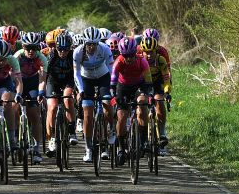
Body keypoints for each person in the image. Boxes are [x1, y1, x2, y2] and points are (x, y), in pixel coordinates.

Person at [73, 26, 115, 162]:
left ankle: (111, 130)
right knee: (87, 113)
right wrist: (81, 91)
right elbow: (77, 73)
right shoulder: (78, 52)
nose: (92, 47)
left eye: (94, 44)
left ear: (98, 43)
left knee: (107, 103)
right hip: (87, 79)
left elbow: (111, 68)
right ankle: (89, 148)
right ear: (85, 43)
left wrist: (112, 87)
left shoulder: (105, 49)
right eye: (89, 44)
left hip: (103, 77)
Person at [110, 36, 150, 166]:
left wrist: (149, 96)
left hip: (139, 85)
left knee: (143, 105)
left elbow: (148, 81)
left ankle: (143, 140)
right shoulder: (118, 61)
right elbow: (113, 82)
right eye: (125, 55)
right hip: (123, 87)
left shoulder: (142, 61)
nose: (129, 58)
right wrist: (113, 95)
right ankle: (121, 148)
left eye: (131, 55)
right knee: (121, 116)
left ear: (135, 53)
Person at [42, 32, 78, 154]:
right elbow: (45, 74)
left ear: (70, 48)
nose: (62, 52)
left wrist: (77, 91)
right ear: (56, 47)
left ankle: (72, 131)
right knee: (52, 107)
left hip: (68, 80)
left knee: (68, 99)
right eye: (60, 49)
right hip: (54, 81)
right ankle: (51, 138)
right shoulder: (51, 56)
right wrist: (42, 90)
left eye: (65, 50)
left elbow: (78, 74)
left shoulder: (73, 55)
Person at [17, 32, 48, 163]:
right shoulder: (17, 56)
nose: (31, 51)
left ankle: (36, 149)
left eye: (34, 48)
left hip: (33, 84)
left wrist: (41, 93)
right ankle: (14, 138)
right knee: (13, 108)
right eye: (28, 48)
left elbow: (42, 80)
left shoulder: (42, 58)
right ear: (23, 46)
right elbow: (12, 77)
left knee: (34, 115)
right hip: (19, 82)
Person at [141, 36, 172, 152]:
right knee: (141, 105)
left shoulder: (160, 60)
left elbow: (166, 78)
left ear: (156, 51)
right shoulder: (139, 60)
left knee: (159, 102)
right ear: (142, 51)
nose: (149, 55)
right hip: (143, 83)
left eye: (151, 52)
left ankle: (162, 134)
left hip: (157, 83)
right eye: (146, 52)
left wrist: (167, 91)